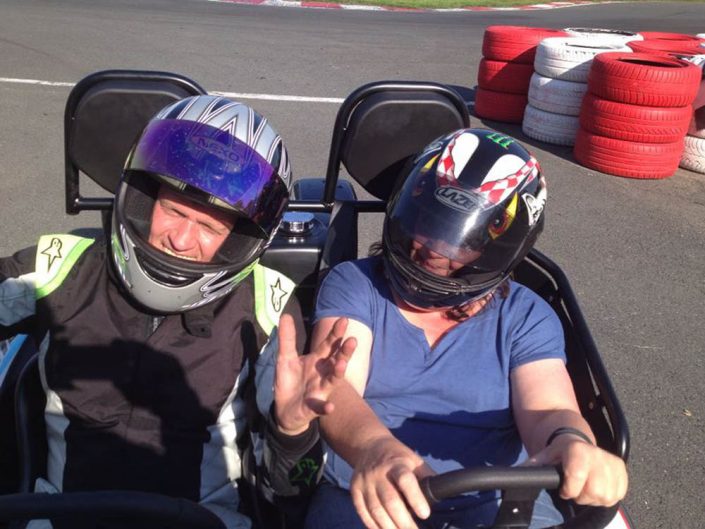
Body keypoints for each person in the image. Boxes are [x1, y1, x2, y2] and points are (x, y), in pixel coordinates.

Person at [0, 95, 355, 529]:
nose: (182, 240)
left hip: (201, 520)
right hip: (64, 516)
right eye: (173, 210)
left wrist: (293, 430)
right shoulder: (62, 266)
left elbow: (289, 494)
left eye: (209, 226)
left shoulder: (269, 307)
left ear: (240, 239)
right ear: (143, 198)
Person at [301, 128, 629, 529]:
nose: (432, 249)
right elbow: (335, 387)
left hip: (498, 499)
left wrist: (572, 444)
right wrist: (376, 449)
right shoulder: (357, 284)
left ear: (499, 244)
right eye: (428, 222)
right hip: (370, 492)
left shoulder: (526, 316)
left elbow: (548, 410)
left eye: (460, 240)